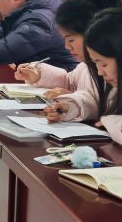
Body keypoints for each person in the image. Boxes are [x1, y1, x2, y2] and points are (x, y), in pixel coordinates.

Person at [15, 0, 121, 100]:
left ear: (92, 32)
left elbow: (102, 103)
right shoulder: (84, 67)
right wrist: (38, 75)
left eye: (71, 40)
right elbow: (70, 81)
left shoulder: (111, 73)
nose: (67, 46)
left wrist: (73, 99)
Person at [43, 9, 122, 144]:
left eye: (104, 64)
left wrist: (109, 121)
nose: (100, 72)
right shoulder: (114, 85)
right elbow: (97, 100)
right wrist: (70, 107)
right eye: (96, 64)